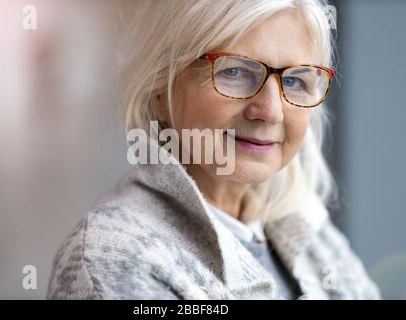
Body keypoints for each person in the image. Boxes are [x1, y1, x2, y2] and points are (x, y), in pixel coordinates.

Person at [47, 0, 380, 299]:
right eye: (234, 71)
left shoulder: (308, 232)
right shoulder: (117, 255)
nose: (270, 111)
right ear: (160, 90)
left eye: (294, 81)